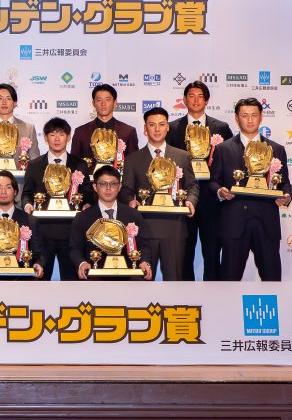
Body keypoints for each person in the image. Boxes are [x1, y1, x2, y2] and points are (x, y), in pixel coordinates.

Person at [210, 97, 292, 281]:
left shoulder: (276, 149)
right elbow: (214, 181)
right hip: (233, 223)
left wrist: (287, 196)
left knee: (272, 280)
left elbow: (284, 183)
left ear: (261, 117)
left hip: (266, 224)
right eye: (245, 115)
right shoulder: (223, 149)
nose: (249, 120)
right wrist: (220, 192)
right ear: (236, 118)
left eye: (254, 115)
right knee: (228, 281)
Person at [165, 80, 234, 281]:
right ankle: (186, 294)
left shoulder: (221, 127)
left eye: (200, 96)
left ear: (207, 100)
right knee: (184, 252)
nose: (196, 100)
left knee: (212, 252)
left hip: (212, 200)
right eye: (191, 96)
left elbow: (229, 162)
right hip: (183, 198)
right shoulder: (172, 128)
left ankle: (213, 294)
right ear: (184, 99)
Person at [119, 107, 199, 280]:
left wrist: (190, 200)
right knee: (141, 281)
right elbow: (126, 190)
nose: (157, 129)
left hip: (174, 228)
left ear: (167, 127)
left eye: (161, 124)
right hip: (144, 229)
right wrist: (130, 201)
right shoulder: (132, 159)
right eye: (152, 124)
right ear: (145, 129)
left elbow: (192, 186)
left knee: (174, 280)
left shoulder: (182, 156)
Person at [21, 117, 92, 280]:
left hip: (71, 231)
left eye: (61, 134)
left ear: (69, 137)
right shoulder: (35, 165)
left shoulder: (79, 164)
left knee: (71, 281)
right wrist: (27, 205)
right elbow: (27, 193)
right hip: (42, 230)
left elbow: (87, 192)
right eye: (52, 134)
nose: (57, 139)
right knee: (40, 279)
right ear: (46, 138)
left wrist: (87, 204)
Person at [70, 165, 152, 281]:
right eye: (103, 184)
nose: (108, 188)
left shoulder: (133, 215)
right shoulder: (82, 217)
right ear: (95, 187)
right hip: (94, 275)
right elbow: (75, 248)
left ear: (120, 186)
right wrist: (82, 263)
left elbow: (144, 245)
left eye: (113, 184)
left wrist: (144, 262)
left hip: (128, 274)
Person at [70, 83, 139, 166]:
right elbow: (74, 163)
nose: (103, 104)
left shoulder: (128, 131)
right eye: (99, 100)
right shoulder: (81, 132)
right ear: (93, 103)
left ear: (115, 103)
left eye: (107, 99)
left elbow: (134, 164)